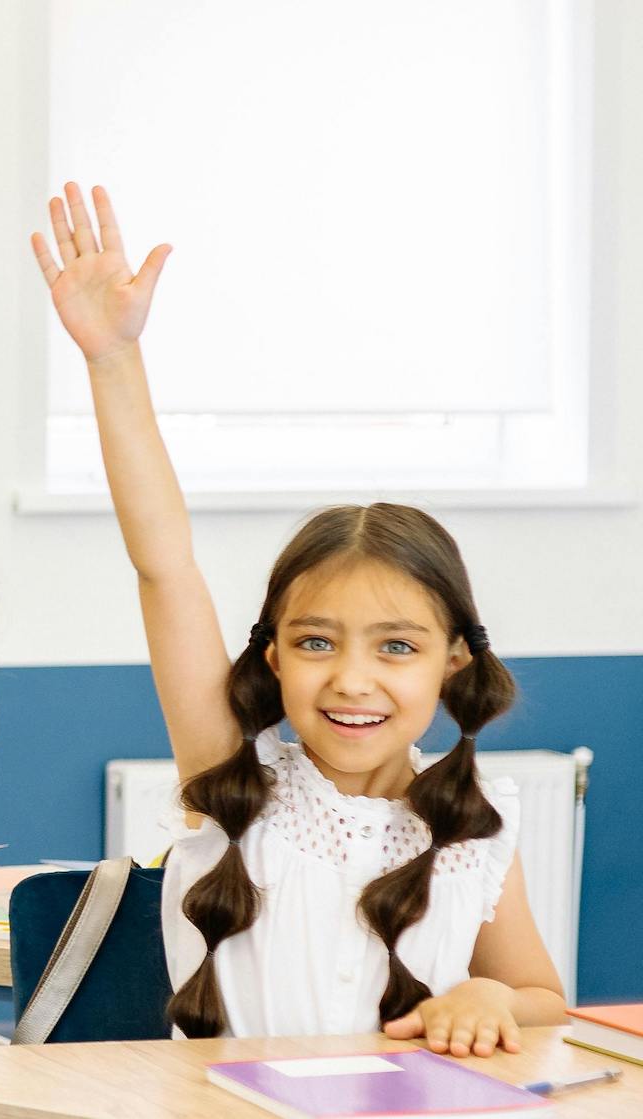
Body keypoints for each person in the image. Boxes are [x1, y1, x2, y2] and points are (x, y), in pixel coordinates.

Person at [32, 183, 567, 1055]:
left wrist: (484, 992)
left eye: (397, 646)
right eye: (317, 641)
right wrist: (112, 362)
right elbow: (164, 566)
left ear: (455, 661)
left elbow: (543, 994)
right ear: (274, 656)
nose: (352, 678)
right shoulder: (239, 782)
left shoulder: (474, 824)